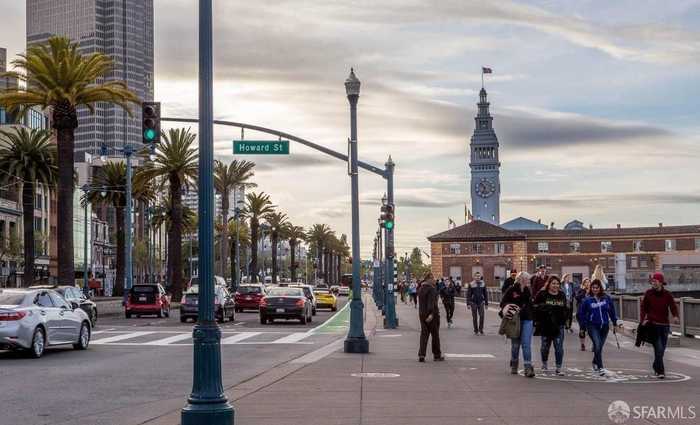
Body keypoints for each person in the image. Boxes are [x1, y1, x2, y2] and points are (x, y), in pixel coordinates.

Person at [640, 272, 680, 379]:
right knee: (658, 348)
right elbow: (643, 308)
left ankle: (655, 365)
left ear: (661, 282)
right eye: (652, 281)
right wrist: (643, 319)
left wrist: (675, 316)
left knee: (661, 350)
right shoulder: (648, 293)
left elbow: (673, 307)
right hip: (653, 325)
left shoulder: (667, 295)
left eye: (655, 281)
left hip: (665, 326)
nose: (653, 283)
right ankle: (661, 371)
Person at [578, 279, 620, 376]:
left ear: (600, 288)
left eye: (597, 287)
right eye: (593, 288)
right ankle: (600, 367)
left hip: (604, 326)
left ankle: (594, 361)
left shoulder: (606, 298)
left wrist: (614, 322)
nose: (595, 289)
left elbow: (612, 311)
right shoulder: (587, 300)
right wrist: (583, 327)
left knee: (599, 347)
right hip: (592, 326)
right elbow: (581, 314)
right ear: (591, 288)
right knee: (597, 344)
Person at [500, 271, 535, 377]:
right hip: (515, 320)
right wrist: (512, 307)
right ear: (521, 279)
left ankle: (528, 367)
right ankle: (514, 364)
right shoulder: (511, 289)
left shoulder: (527, 290)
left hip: (527, 319)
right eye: (527, 279)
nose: (529, 281)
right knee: (515, 345)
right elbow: (503, 303)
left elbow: (530, 304)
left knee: (526, 344)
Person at [534, 275, 569, 375]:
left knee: (559, 347)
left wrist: (565, 320)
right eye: (553, 283)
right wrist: (544, 308)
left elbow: (566, 309)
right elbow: (535, 306)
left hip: (559, 325)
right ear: (549, 284)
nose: (555, 285)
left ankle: (558, 368)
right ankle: (544, 363)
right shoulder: (542, 294)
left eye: (557, 284)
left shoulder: (562, 295)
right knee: (545, 347)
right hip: (545, 325)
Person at [417, 272, 444, 362]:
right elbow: (431, 303)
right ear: (428, 279)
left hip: (422, 314)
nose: (434, 280)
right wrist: (431, 314)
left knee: (424, 335)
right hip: (431, 315)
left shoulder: (421, 288)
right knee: (435, 335)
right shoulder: (431, 289)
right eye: (433, 278)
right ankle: (437, 355)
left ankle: (421, 354)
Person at [575, 278, 591, 351]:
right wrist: (584, 291)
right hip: (581, 313)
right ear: (583, 284)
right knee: (582, 329)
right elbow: (577, 298)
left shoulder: (593, 292)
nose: (587, 284)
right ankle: (582, 344)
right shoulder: (581, 291)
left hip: (590, 314)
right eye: (586, 282)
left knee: (591, 329)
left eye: (589, 282)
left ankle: (594, 344)